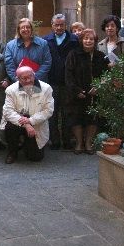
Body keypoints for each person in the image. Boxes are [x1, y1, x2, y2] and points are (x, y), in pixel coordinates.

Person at [65, 29, 109, 154]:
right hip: (77, 93)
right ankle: (79, 143)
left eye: (91, 39)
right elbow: (68, 74)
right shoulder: (73, 54)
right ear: (81, 40)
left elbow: (106, 75)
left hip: (94, 94)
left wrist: (99, 87)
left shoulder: (100, 56)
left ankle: (89, 143)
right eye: (86, 38)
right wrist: (76, 90)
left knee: (92, 119)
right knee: (77, 118)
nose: (88, 41)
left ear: (95, 41)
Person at [0, 66, 54, 164]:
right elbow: (8, 111)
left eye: (30, 76)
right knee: (10, 126)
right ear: (18, 79)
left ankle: (26, 144)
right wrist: (26, 124)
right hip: (18, 121)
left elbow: (48, 111)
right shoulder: (11, 90)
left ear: (34, 75)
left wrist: (30, 120)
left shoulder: (46, 88)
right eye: (24, 78)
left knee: (35, 158)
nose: (28, 80)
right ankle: (12, 151)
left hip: (36, 121)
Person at [42, 13, 79, 150]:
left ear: (65, 25)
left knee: (67, 112)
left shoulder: (74, 40)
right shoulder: (45, 40)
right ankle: (55, 140)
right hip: (51, 81)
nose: (59, 27)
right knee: (52, 112)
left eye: (61, 25)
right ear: (52, 25)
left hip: (68, 82)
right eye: (56, 25)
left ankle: (67, 140)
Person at [4, 17, 52, 83]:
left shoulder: (43, 43)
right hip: (18, 84)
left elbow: (47, 62)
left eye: (28, 27)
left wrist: (34, 79)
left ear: (32, 29)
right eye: (22, 27)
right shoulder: (10, 45)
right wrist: (18, 80)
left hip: (39, 83)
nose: (25, 29)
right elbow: (9, 66)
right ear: (19, 30)